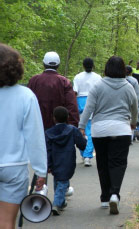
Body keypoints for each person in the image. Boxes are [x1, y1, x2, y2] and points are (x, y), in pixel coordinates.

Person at [79, 56, 138, 215]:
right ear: (123, 69)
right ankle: (114, 194)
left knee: (103, 164)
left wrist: (82, 126)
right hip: (121, 130)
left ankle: (105, 198)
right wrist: (134, 122)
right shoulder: (128, 87)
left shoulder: (97, 86)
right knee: (118, 163)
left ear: (106, 69)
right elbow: (135, 108)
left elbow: (89, 108)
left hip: (100, 130)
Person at [0, 43, 47, 228]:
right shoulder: (26, 96)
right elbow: (34, 137)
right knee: (6, 222)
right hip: (14, 167)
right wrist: (40, 170)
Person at [45, 106, 87, 215]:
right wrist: (84, 138)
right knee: (63, 182)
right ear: (68, 117)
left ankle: (61, 202)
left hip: (54, 160)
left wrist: (48, 164)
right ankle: (57, 204)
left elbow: (47, 150)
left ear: (54, 118)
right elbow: (81, 145)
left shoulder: (49, 133)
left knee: (58, 180)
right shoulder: (72, 130)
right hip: (68, 159)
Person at [28, 51, 79, 130]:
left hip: (36, 128)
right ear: (58, 65)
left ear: (43, 64)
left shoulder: (33, 81)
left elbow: (27, 104)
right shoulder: (64, 82)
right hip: (58, 131)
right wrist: (73, 127)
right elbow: (72, 106)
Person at [73, 57, 101, 167]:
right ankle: (88, 156)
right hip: (93, 103)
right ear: (93, 66)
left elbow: (74, 93)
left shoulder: (78, 77)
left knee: (81, 130)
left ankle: (83, 153)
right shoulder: (98, 77)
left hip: (80, 104)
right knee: (90, 131)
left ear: (83, 66)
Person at [126, 65, 139, 142]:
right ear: (131, 72)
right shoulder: (134, 81)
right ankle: (131, 136)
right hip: (132, 102)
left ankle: (127, 136)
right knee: (133, 119)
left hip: (123, 102)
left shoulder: (120, 79)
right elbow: (138, 94)